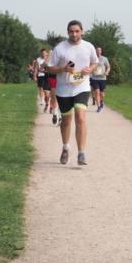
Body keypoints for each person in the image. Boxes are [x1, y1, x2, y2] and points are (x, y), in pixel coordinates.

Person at [47, 21, 98, 165]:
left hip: (82, 86)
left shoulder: (88, 47)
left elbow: (95, 62)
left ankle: (81, 153)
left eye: (77, 31)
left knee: (80, 117)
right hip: (64, 89)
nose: (74, 34)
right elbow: (50, 68)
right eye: (71, 31)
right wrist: (63, 69)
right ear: (67, 32)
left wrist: (90, 69)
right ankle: (65, 148)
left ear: (82, 31)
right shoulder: (60, 48)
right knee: (67, 121)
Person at [90, 46, 111, 112]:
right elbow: (89, 66)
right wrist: (91, 70)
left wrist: (107, 71)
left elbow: (108, 67)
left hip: (102, 78)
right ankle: (98, 106)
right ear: (95, 51)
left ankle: (101, 101)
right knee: (97, 92)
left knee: (102, 94)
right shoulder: (92, 59)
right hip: (94, 78)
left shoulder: (104, 58)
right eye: (97, 50)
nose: (98, 52)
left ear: (101, 51)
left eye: (99, 50)